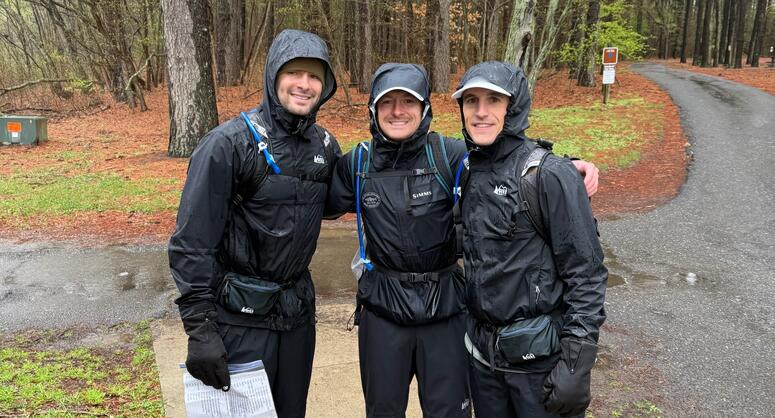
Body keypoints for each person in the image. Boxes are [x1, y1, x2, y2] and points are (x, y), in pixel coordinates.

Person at [326, 63, 600, 418]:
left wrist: (568, 167)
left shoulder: (450, 156)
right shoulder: (358, 164)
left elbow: (506, 155)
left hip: (446, 311)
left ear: (424, 108)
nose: (397, 111)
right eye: (387, 102)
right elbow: (310, 197)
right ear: (373, 110)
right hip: (383, 311)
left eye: (407, 101)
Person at [168, 29, 341, 418]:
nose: (305, 84)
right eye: (294, 72)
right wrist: (201, 331)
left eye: (315, 76)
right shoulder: (228, 145)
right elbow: (191, 244)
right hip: (238, 319)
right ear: (273, 75)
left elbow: (340, 202)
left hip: (296, 318)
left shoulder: (326, 146)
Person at [453, 61, 608, 418]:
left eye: (494, 100)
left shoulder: (548, 175)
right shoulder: (468, 168)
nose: (480, 112)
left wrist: (576, 362)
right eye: (471, 100)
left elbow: (586, 273)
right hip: (484, 362)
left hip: (538, 365)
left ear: (514, 107)